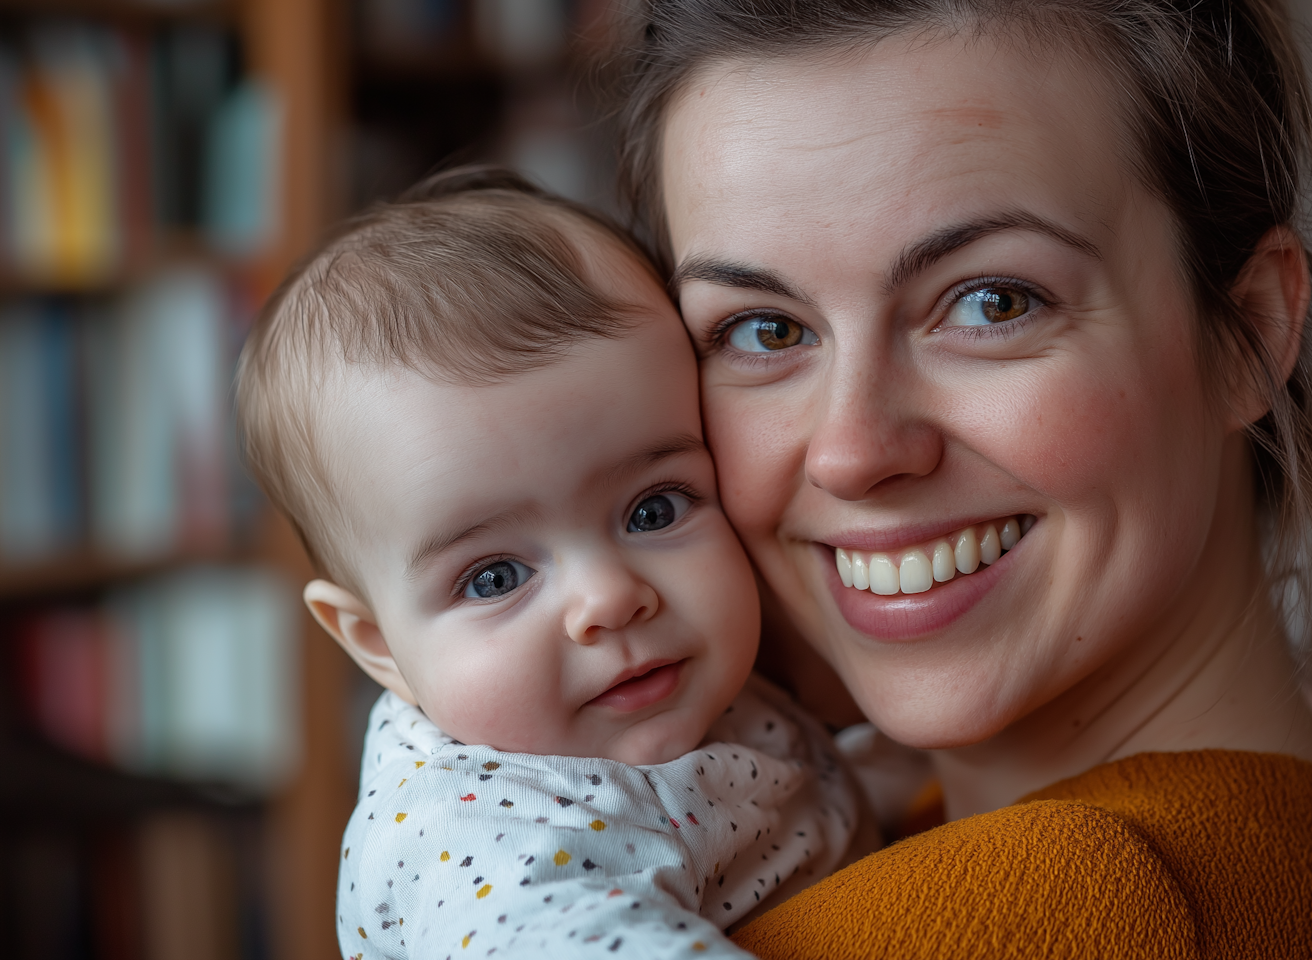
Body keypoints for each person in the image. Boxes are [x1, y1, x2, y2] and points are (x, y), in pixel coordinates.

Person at [616, 0, 1312, 957]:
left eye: (990, 301)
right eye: (764, 326)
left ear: (1253, 332)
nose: (852, 449)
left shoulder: (1057, 907)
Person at [233, 170, 870, 959]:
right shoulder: (475, 840)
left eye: (655, 510)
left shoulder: (679, 690)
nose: (608, 599)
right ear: (375, 644)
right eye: (495, 577)